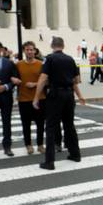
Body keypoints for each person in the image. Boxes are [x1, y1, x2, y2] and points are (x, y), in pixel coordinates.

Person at [33, 37, 84, 171]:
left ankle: (49, 161)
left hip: (56, 94)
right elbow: (76, 80)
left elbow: (43, 78)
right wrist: (79, 95)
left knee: (51, 127)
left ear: (52, 45)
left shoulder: (49, 59)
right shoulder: (70, 59)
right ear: (63, 45)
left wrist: (36, 97)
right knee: (69, 125)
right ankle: (75, 154)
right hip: (69, 94)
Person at [15, 42, 46, 155]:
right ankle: (28, 145)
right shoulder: (18, 64)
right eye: (27, 50)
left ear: (35, 51)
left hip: (39, 98)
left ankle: (40, 144)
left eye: (31, 50)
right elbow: (14, 78)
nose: (29, 52)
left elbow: (47, 80)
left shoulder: (41, 64)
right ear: (24, 51)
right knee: (25, 124)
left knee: (40, 123)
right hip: (23, 99)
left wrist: (35, 84)